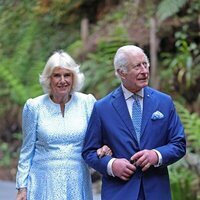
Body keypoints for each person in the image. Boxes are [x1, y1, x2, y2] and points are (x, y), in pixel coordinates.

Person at [82, 45, 186, 200]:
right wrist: (111, 165)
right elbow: (89, 151)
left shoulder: (164, 102)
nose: (144, 71)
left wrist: (156, 155)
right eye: (137, 66)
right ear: (121, 73)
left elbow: (179, 144)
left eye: (145, 64)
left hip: (156, 192)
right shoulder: (102, 108)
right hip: (119, 193)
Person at [16, 50, 111, 200]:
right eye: (57, 75)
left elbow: (99, 139)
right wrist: (22, 188)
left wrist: (105, 146)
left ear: (74, 78)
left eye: (67, 75)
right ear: (49, 79)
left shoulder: (87, 103)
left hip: (77, 181)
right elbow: (27, 150)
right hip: (43, 182)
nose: (62, 80)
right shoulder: (34, 106)